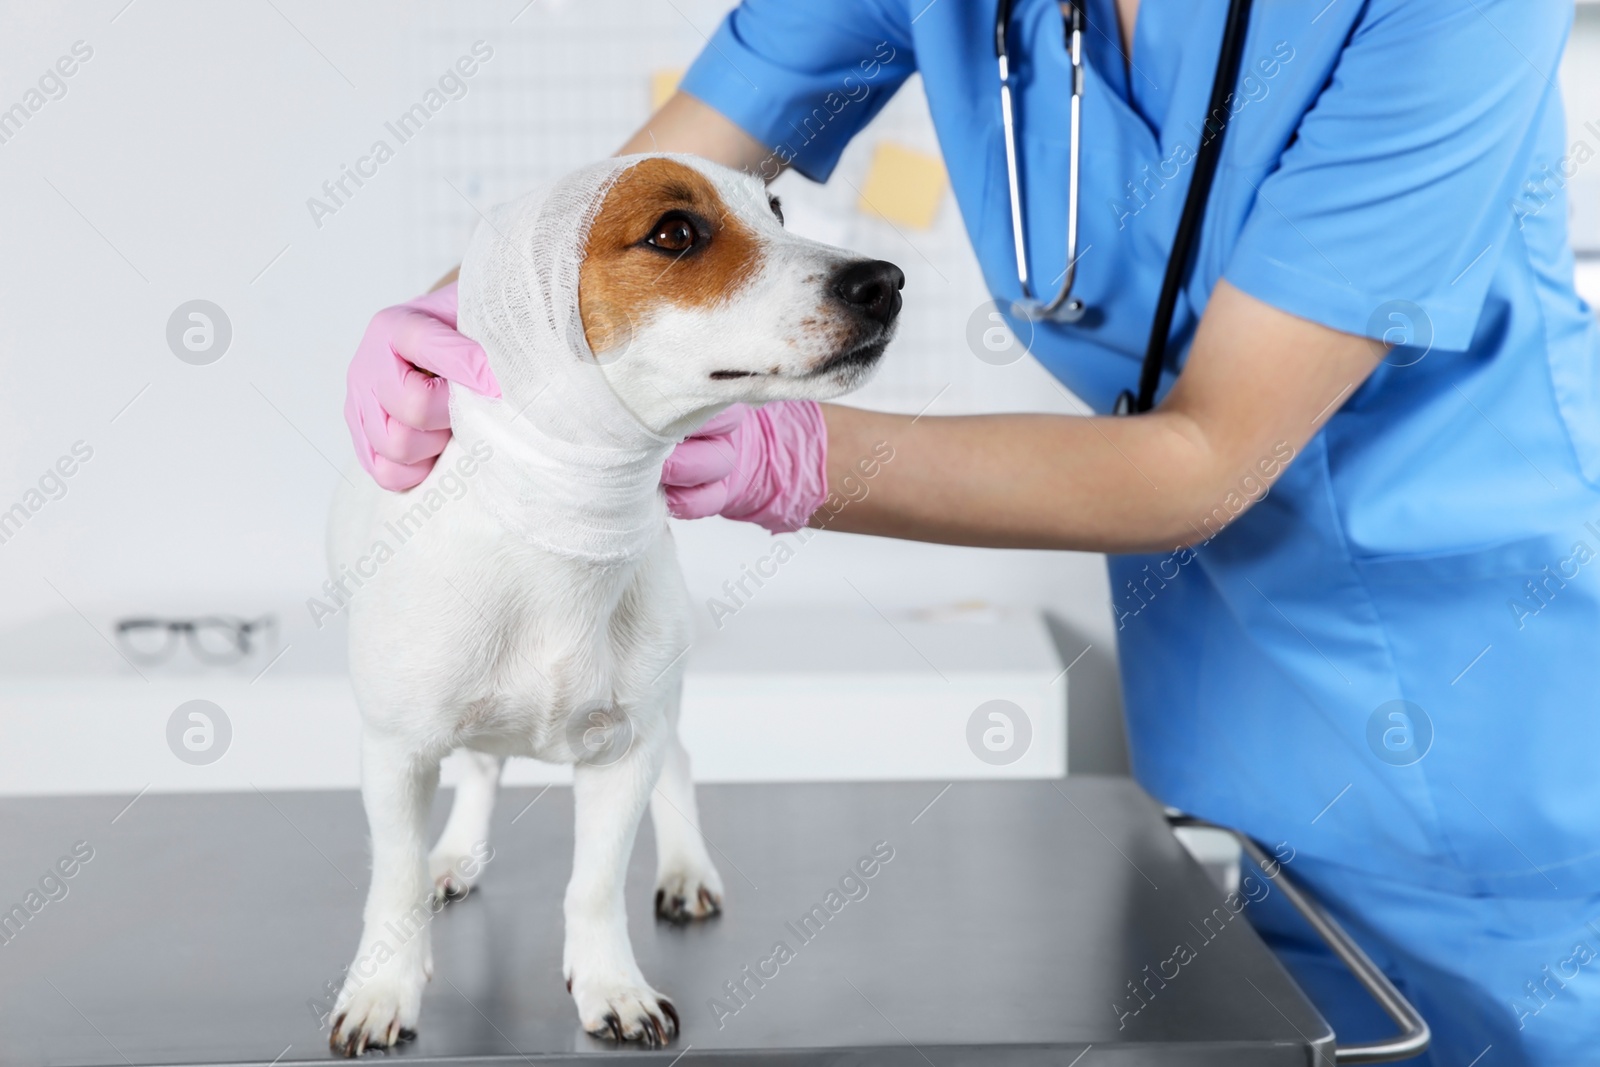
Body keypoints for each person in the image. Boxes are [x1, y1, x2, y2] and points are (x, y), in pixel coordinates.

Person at [342, 1, 1600, 1061]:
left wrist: (794, 454)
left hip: (1498, 699)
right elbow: (621, 215)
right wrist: (448, 320)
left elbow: (1210, 453)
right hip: (1220, 694)